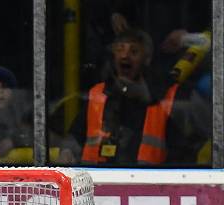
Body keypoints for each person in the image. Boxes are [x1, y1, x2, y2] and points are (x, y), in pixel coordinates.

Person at [59, 28, 204, 166]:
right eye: (120, 49)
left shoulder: (167, 96)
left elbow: (185, 154)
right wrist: (67, 152)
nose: (124, 56)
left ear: (146, 59)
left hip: (147, 188)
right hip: (95, 186)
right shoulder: (98, 94)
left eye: (133, 51)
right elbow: (76, 137)